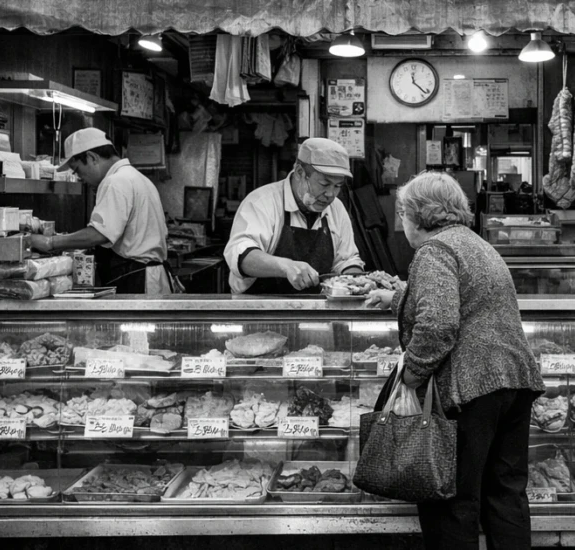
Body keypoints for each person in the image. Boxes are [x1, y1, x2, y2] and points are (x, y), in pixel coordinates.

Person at [366, 171, 545, 550]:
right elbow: (464, 301)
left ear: (417, 215)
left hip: (472, 390)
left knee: (452, 502)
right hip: (514, 385)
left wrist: (412, 374)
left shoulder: (434, 250)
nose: (402, 225)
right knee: (505, 494)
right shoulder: (476, 244)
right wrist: (397, 298)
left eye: (402, 215)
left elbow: (439, 324)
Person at [29, 128, 173, 294]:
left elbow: (99, 234)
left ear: (92, 158)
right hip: (149, 276)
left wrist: (50, 242)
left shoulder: (115, 181)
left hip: (138, 280)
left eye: (78, 170)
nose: (80, 178)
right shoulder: (135, 177)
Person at [224, 137, 364, 294]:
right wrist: (286, 266)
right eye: (324, 184)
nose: (330, 194)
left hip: (316, 312)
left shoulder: (336, 209)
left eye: (338, 186)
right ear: (299, 172)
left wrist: (356, 281)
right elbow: (241, 256)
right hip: (260, 310)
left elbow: (346, 260)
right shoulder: (262, 202)